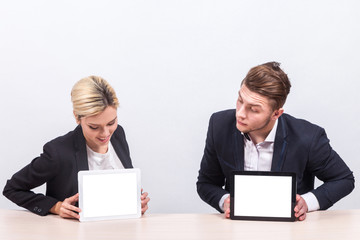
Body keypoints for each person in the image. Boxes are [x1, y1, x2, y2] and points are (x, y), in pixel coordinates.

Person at [196, 62, 354, 221]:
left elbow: (343, 179)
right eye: (240, 100)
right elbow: (206, 183)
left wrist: (307, 202)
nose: (240, 114)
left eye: (254, 109)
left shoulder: (308, 137)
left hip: (291, 231)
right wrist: (225, 202)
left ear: (276, 114)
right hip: (236, 230)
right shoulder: (219, 125)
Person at [3, 76, 150, 219]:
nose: (105, 134)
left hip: (122, 231)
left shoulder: (118, 135)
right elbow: (12, 189)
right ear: (77, 117)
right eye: (94, 127)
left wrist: (135, 204)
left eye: (111, 123)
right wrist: (57, 206)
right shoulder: (58, 152)